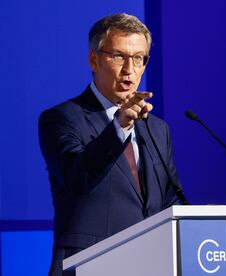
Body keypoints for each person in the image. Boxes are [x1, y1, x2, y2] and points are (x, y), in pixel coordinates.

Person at [38, 13, 184, 276]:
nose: (130, 69)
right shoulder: (61, 118)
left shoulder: (157, 128)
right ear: (94, 60)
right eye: (119, 56)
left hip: (151, 266)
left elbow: (170, 198)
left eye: (138, 58)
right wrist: (119, 127)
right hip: (87, 266)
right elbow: (77, 177)